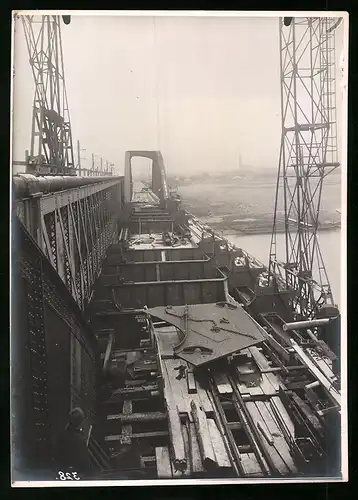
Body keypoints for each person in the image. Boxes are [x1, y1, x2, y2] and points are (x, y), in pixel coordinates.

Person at [54, 407, 92, 478]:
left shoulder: (61, 436)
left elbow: (57, 457)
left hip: (61, 472)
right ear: (80, 422)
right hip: (76, 474)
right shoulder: (80, 439)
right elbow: (86, 464)